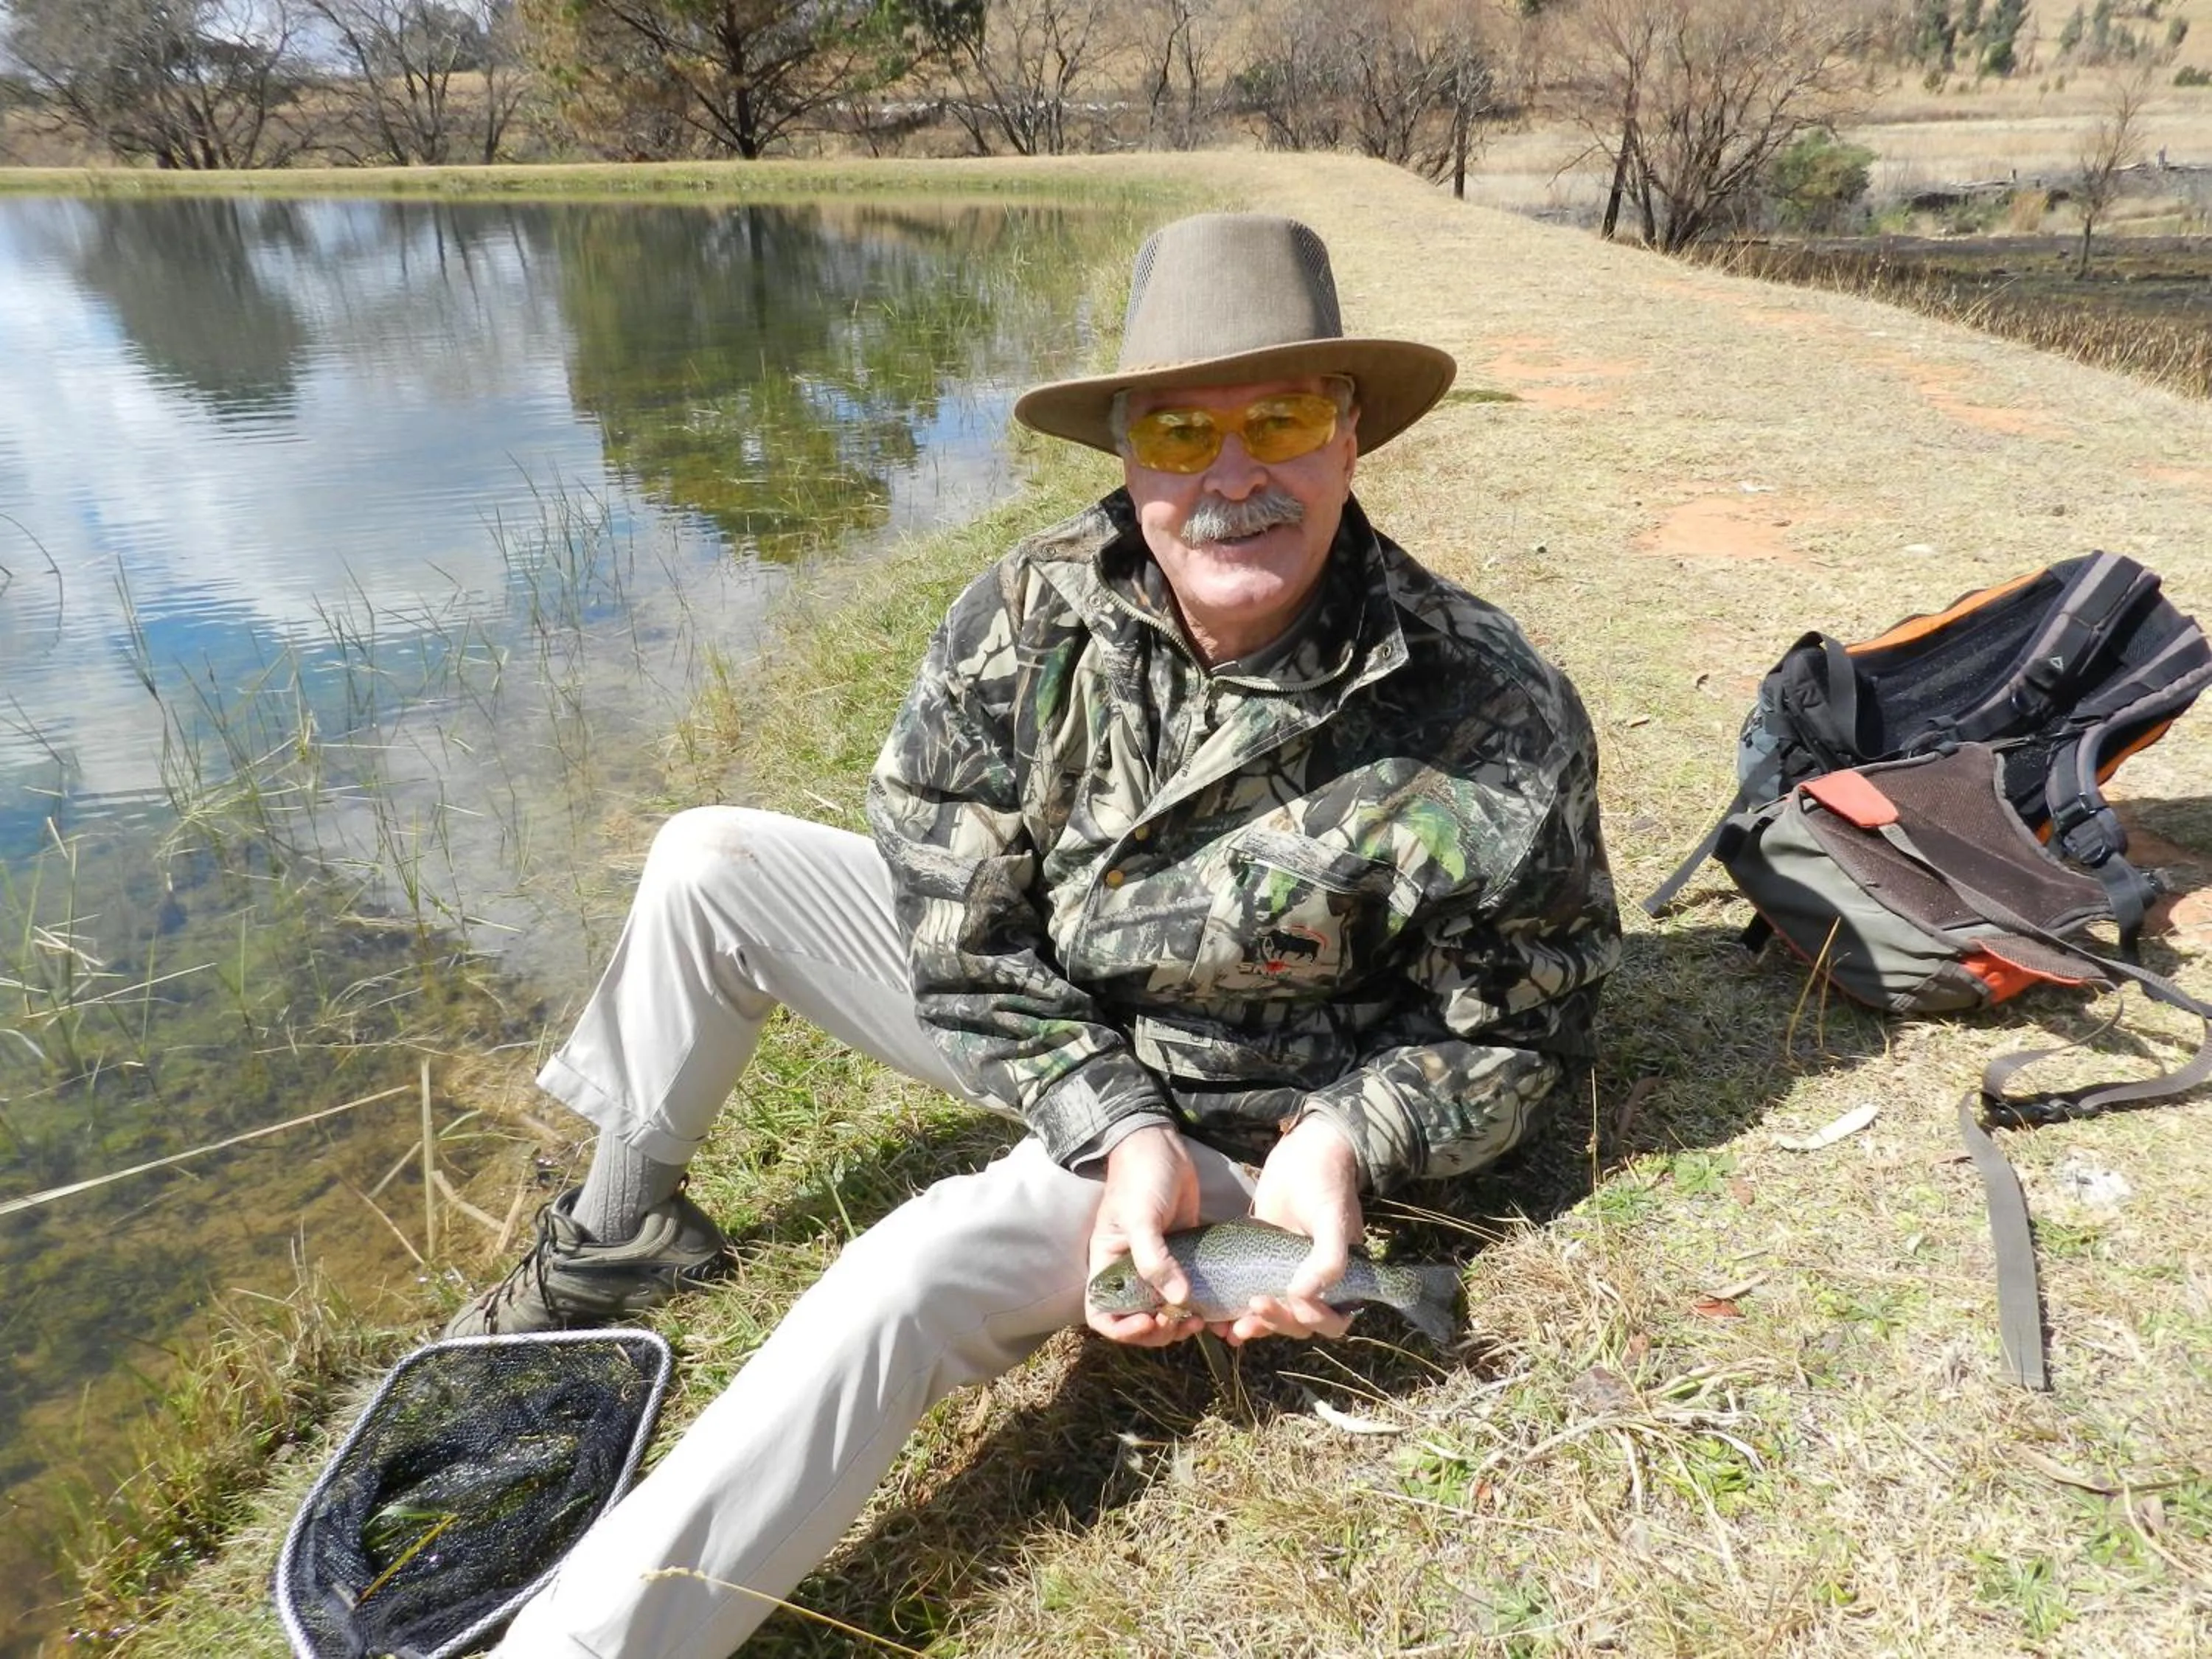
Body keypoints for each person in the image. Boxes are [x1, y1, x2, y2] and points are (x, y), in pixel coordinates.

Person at [459, 212, 1622, 1658]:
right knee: (709, 860)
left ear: (1350, 434)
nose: (1233, 474)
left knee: (904, 1274)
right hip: (1064, 1025)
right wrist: (1101, 1111)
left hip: (1237, 1122)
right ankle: (622, 1228)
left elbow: (1526, 1014)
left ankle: (575, 1646)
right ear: (1129, 455)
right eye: (1181, 430)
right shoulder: (1029, 609)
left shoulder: (1489, 700)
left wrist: (1343, 1143)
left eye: (1280, 417)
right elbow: (953, 909)